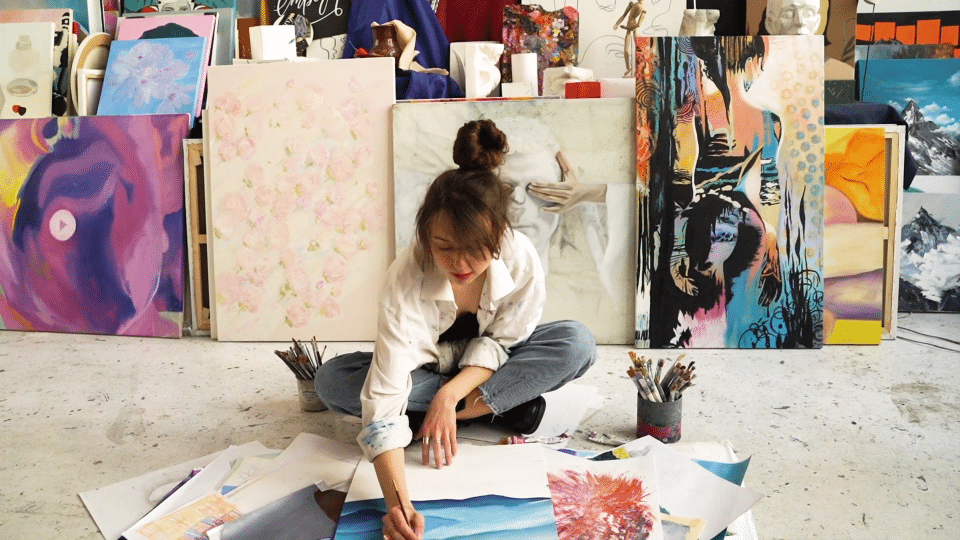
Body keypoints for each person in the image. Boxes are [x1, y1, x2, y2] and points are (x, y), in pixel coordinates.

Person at [315, 119, 597, 540]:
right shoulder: (405, 278)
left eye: (476, 250)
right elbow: (387, 390)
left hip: (478, 373)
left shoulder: (521, 260)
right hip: (427, 374)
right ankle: (501, 409)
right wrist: (398, 504)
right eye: (444, 247)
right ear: (427, 235)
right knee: (333, 381)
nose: (460, 264)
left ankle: (452, 414)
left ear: (500, 235)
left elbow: (504, 342)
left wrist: (448, 397)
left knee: (576, 342)